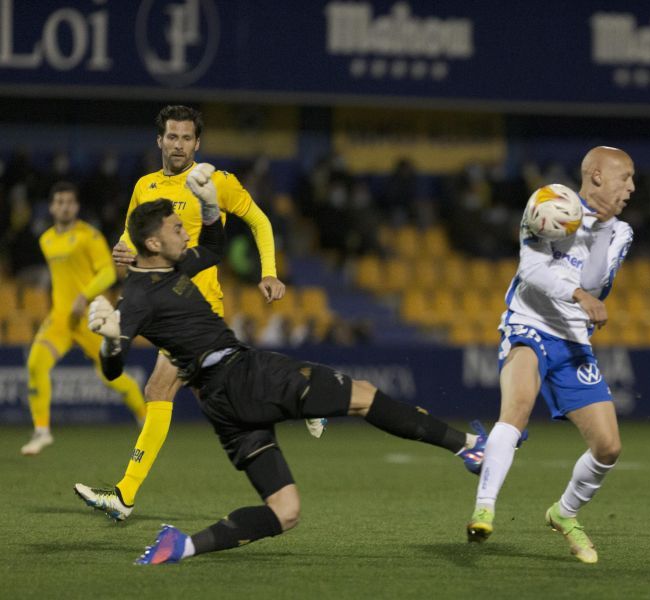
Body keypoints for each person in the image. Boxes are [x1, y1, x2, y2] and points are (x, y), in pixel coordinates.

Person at [76, 167, 486, 564]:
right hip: (243, 376)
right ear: (151, 243)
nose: (185, 231)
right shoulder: (136, 298)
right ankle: (467, 448)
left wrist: (208, 207)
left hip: (223, 407)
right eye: (176, 228)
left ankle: (182, 547)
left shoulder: (175, 265)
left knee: (286, 511)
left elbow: (215, 248)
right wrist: (111, 343)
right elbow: (113, 370)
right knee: (363, 396)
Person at [76, 105, 321, 518]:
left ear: (197, 143)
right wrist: (123, 250)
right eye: (172, 137)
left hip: (194, 306)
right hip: (162, 304)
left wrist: (270, 272)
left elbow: (259, 220)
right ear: (159, 140)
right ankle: (305, 397)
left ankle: (124, 495)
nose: (178, 144)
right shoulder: (144, 187)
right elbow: (132, 238)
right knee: (224, 393)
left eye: (186, 138)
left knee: (161, 390)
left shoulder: (214, 181)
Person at [466, 147, 635, 564]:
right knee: (517, 408)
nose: (631, 187)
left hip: (573, 340)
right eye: (624, 177)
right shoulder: (549, 203)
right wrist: (577, 294)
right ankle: (484, 507)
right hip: (529, 324)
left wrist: (600, 230)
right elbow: (532, 270)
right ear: (595, 175)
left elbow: (594, 284)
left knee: (608, 448)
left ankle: (565, 513)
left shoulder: (621, 232)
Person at [21, 182, 146, 455]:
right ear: (52, 207)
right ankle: (42, 431)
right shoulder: (46, 240)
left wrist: (83, 295)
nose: (65, 206)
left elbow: (108, 274)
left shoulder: (89, 236)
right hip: (61, 320)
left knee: (110, 378)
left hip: (90, 316)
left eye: (70, 202)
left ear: (76, 206)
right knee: (35, 365)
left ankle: (143, 416)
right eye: (60, 202)